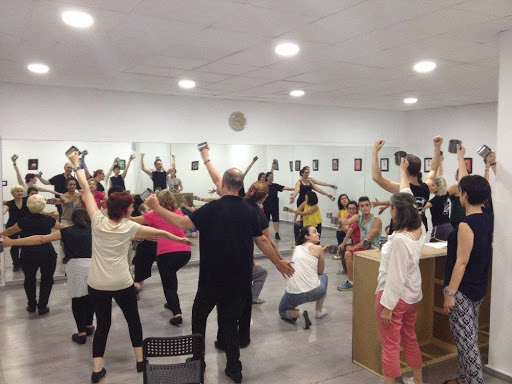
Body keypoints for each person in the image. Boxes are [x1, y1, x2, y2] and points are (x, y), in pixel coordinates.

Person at [144, 147, 294, 383]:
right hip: (238, 279)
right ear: (240, 185)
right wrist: (278, 263)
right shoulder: (250, 209)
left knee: (199, 316)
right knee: (229, 322)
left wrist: (156, 207)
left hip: (212, 278)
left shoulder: (212, 208)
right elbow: (263, 240)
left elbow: (182, 223)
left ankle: (198, 360)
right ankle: (234, 368)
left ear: (223, 184)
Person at [67, 150, 184, 383]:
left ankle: (96, 370)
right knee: (133, 321)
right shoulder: (129, 228)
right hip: (122, 283)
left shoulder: (98, 221)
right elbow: (159, 231)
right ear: (124, 210)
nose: (133, 209)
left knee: (103, 326)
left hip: (97, 284)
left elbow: (87, 191)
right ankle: (141, 362)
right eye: (130, 207)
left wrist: (76, 164)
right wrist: (179, 239)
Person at [3, 209, 96, 344]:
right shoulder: (95, 231)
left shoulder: (67, 232)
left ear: (73, 219)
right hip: (94, 265)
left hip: (76, 267)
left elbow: (40, 239)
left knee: (78, 298)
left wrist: (12, 242)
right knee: (90, 296)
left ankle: (81, 333)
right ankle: (89, 325)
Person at [443, 145, 493, 384]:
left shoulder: (466, 224)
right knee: (466, 339)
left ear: (463, 195)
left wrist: (450, 293)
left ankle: (474, 381)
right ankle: (463, 379)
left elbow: (461, 262)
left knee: (467, 344)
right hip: (478, 288)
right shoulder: (487, 217)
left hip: (462, 292)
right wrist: (462, 157)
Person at [375, 158, 427, 384]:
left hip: (394, 298)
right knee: (410, 338)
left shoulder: (400, 240)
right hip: (412, 296)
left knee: (390, 346)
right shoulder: (420, 228)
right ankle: (417, 380)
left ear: (394, 210)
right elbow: (406, 192)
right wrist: (403, 169)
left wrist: (387, 307)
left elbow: (395, 277)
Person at [130, 190, 193, 325]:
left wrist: (117, 214)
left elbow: (134, 221)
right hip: (185, 252)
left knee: (168, 284)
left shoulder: (154, 214)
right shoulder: (178, 213)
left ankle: (177, 314)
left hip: (167, 253)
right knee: (171, 276)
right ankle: (171, 303)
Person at [1, 194, 66, 315]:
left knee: (29, 279)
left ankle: (31, 305)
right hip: (47, 253)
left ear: (28, 205)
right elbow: (62, 228)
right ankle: (42, 306)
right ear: (43, 205)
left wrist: (1, 235)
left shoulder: (23, 221)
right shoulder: (49, 220)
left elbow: (10, 231)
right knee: (47, 279)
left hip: (28, 254)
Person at [372, 137, 443, 231]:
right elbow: (434, 168)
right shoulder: (426, 187)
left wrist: (375, 151)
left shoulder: (401, 189)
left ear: (405, 168)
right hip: (419, 230)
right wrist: (437, 146)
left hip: (403, 231)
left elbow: (376, 177)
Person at [278, 225, 329, 329]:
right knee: (324, 276)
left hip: (294, 294)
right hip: (315, 291)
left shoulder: (296, 249)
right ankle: (319, 311)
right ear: (307, 236)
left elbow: (306, 258)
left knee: (282, 311)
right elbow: (320, 271)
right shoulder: (318, 248)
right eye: (315, 232)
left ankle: (299, 314)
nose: (318, 233)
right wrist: (322, 253)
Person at [338, 196, 382, 291]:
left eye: (367, 205)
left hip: (374, 249)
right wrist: (339, 221)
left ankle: (353, 281)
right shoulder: (358, 217)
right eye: (362, 206)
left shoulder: (376, 220)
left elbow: (368, 239)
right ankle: (351, 281)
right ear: (359, 208)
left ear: (370, 206)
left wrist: (354, 247)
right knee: (347, 252)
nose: (365, 207)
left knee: (348, 252)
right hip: (364, 248)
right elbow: (347, 221)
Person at [131, 203, 158, 300]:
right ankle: (134, 291)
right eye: (149, 209)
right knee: (138, 280)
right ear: (142, 212)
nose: (152, 210)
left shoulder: (157, 219)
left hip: (160, 249)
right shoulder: (139, 223)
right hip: (145, 250)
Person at [2, 185, 30, 271]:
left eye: (21, 191)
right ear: (13, 193)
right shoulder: (9, 203)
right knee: (14, 245)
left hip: (24, 227)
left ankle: (23, 262)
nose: (20, 193)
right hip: (12, 227)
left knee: (25, 245)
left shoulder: (27, 201)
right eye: (17, 191)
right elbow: (4, 210)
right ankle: (16, 264)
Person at [263, 170, 294, 240]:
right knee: (266, 221)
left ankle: (277, 233)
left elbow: (284, 188)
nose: (271, 178)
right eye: (270, 177)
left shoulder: (275, 185)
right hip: (265, 206)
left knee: (275, 220)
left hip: (274, 206)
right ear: (267, 178)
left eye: (272, 177)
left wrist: (295, 188)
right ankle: (265, 234)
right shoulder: (263, 186)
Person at [424, 176, 453, 241]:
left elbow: (422, 207)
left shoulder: (435, 200)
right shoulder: (446, 195)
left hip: (439, 228)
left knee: (433, 249)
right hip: (449, 227)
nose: (431, 187)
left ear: (439, 186)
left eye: (433, 185)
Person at [337, 200, 361, 275]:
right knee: (343, 247)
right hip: (354, 241)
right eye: (349, 209)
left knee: (343, 248)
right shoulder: (348, 216)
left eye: (353, 208)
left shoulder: (357, 217)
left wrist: (343, 243)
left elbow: (349, 231)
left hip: (360, 243)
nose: (351, 210)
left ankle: (346, 270)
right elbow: (346, 228)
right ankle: (346, 268)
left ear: (357, 209)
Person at [334, 194, 350, 259]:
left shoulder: (351, 209)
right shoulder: (341, 211)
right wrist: (339, 225)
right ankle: (341, 252)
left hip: (351, 228)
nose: (344, 200)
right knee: (339, 232)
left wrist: (341, 222)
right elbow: (335, 220)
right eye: (342, 199)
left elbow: (346, 220)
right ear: (340, 201)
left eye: (345, 198)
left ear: (348, 199)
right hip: (344, 228)